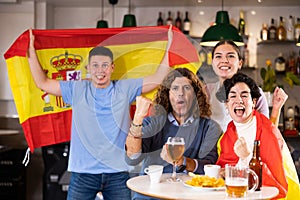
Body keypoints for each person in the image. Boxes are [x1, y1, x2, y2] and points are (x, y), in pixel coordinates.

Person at [27, 28, 173, 200]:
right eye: (95, 65)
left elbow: (159, 76)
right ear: (88, 68)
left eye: (105, 65)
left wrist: (170, 43)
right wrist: (30, 48)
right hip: (83, 173)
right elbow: (42, 83)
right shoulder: (77, 88)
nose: (100, 70)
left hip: (118, 173)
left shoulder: (125, 87)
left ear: (112, 68)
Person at [125, 68, 223, 200]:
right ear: (168, 94)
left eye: (186, 88)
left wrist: (182, 161)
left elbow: (210, 167)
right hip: (150, 195)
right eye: (175, 88)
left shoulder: (209, 128)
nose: (180, 93)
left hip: (188, 196)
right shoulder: (153, 123)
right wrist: (138, 118)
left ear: (195, 95)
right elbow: (132, 157)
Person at [216, 72, 300, 199]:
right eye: (232, 96)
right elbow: (225, 168)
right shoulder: (228, 134)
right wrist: (222, 172)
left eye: (244, 96)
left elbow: (275, 185)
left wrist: (246, 158)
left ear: (254, 102)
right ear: (226, 105)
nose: (239, 100)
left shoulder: (268, 132)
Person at [201, 40, 288, 132]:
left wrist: (276, 109)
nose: (224, 60)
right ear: (213, 63)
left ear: (240, 63)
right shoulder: (205, 91)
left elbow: (267, 134)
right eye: (218, 56)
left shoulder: (255, 93)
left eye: (230, 56)